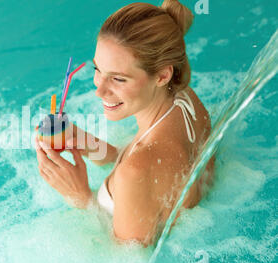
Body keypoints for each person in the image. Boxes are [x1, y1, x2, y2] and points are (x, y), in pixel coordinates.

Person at [35, 0, 215, 246]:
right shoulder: (185, 99)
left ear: (163, 75)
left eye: (118, 79)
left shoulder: (135, 172)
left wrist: (79, 198)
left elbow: (126, 260)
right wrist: (91, 145)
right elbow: (157, 175)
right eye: (99, 69)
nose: (100, 90)